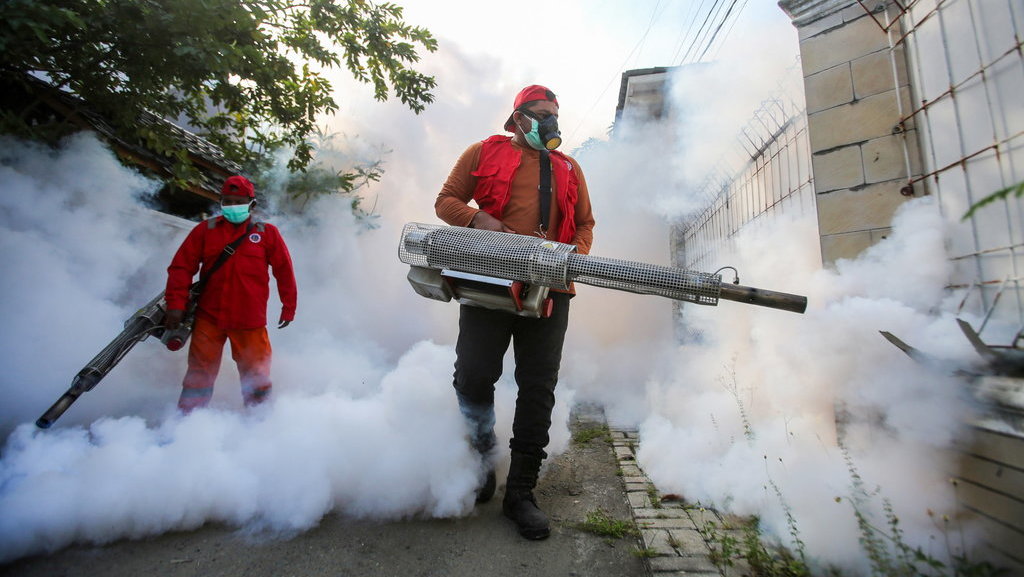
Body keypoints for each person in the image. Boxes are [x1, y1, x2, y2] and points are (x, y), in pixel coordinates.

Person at [434, 85, 595, 540]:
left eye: (556, 114)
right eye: (542, 113)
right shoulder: (482, 153)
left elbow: (584, 223)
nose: (551, 122)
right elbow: (445, 201)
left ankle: (520, 492)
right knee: (473, 374)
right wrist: (477, 220)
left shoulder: (569, 167)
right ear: (519, 117)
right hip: (490, 281)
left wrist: (573, 257)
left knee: (538, 385)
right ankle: (483, 462)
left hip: (550, 288)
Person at [164, 175, 297, 412]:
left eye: (239, 201)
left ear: (251, 204)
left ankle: (259, 423)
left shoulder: (268, 234)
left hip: (249, 322)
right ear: (221, 202)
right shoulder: (205, 231)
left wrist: (289, 307)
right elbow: (181, 268)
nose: (233, 206)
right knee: (199, 375)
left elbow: (284, 271)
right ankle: (188, 422)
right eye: (228, 201)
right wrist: (176, 304)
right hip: (209, 318)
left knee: (257, 376)